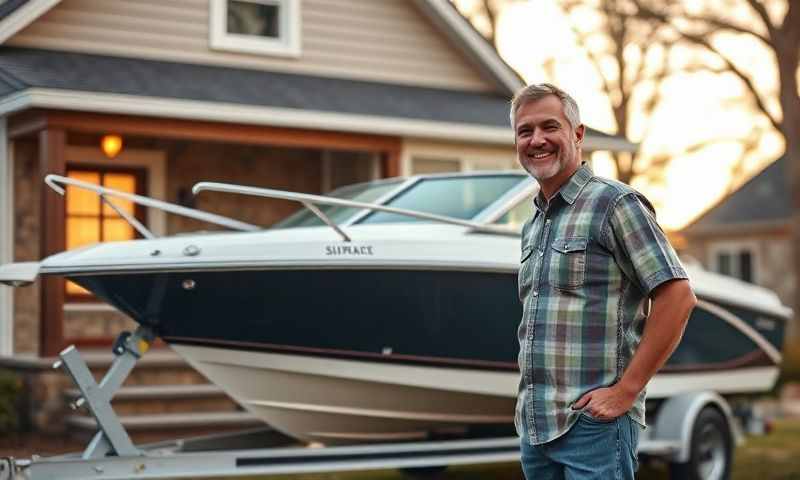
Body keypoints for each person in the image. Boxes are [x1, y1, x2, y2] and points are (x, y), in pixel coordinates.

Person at [511, 83, 697, 480]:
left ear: (578, 134)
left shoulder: (615, 204)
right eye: (525, 131)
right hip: (536, 428)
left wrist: (626, 391)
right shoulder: (532, 224)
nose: (536, 139)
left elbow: (677, 297)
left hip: (593, 427)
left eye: (549, 127)